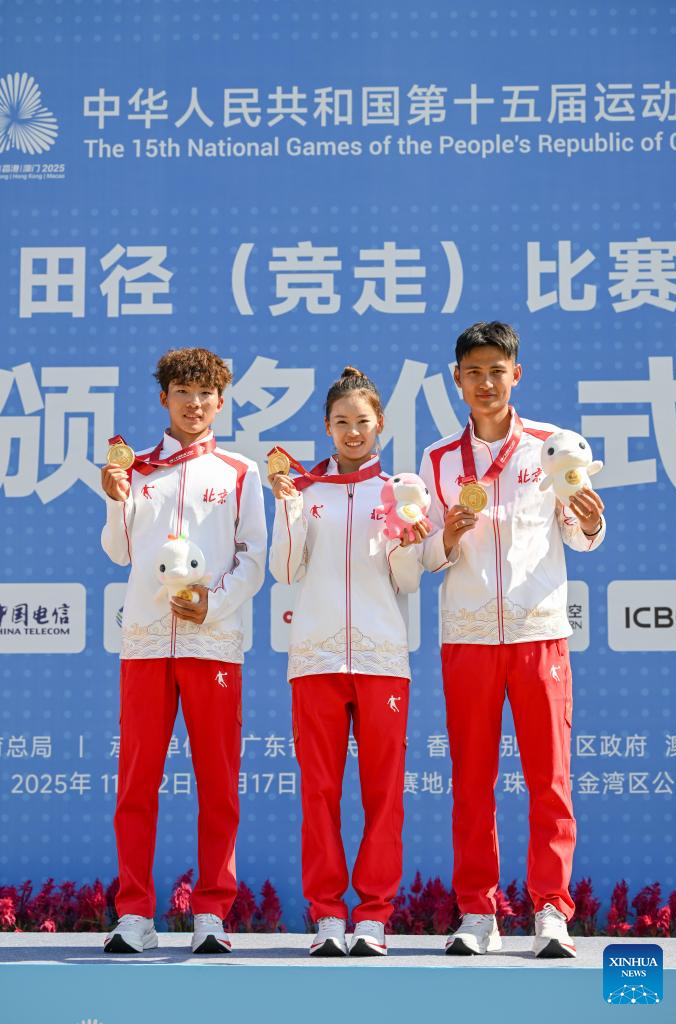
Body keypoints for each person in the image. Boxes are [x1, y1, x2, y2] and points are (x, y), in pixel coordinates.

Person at [418, 322, 605, 959]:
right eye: (473, 372)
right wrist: (446, 537)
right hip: (468, 637)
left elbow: (578, 536)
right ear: (457, 379)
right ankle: (478, 911)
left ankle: (551, 910)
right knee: (472, 782)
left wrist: (589, 521)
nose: (486, 383)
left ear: (515, 375)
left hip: (538, 634)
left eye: (496, 371)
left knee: (550, 779)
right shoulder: (438, 459)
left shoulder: (553, 447)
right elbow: (425, 553)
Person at [100, 347, 266, 955]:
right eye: (182, 393)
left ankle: (212, 913)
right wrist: (115, 497)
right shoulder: (136, 469)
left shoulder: (240, 471)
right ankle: (134, 914)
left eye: (204, 395)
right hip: (146, 643)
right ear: (163, 398)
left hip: (212, 644)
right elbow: (119, 552)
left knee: (218, 785)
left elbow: (254, 559)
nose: (193, 405)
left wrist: (213, 604)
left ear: (220, 401)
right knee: (135, 784)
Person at [269, 367, 427, 957]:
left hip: (383, 660)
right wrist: (288, 509)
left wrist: (409, 540)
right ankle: (328, 915)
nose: (353, 431)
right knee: (319, 792)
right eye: (341, 422)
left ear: (380, 423)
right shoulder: (305, 491)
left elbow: (407, 580)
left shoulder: (401, 490)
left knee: (384, 794)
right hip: (316, 659)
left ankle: (375, 916)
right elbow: (284, 570)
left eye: (362, 421)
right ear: (327, 427)